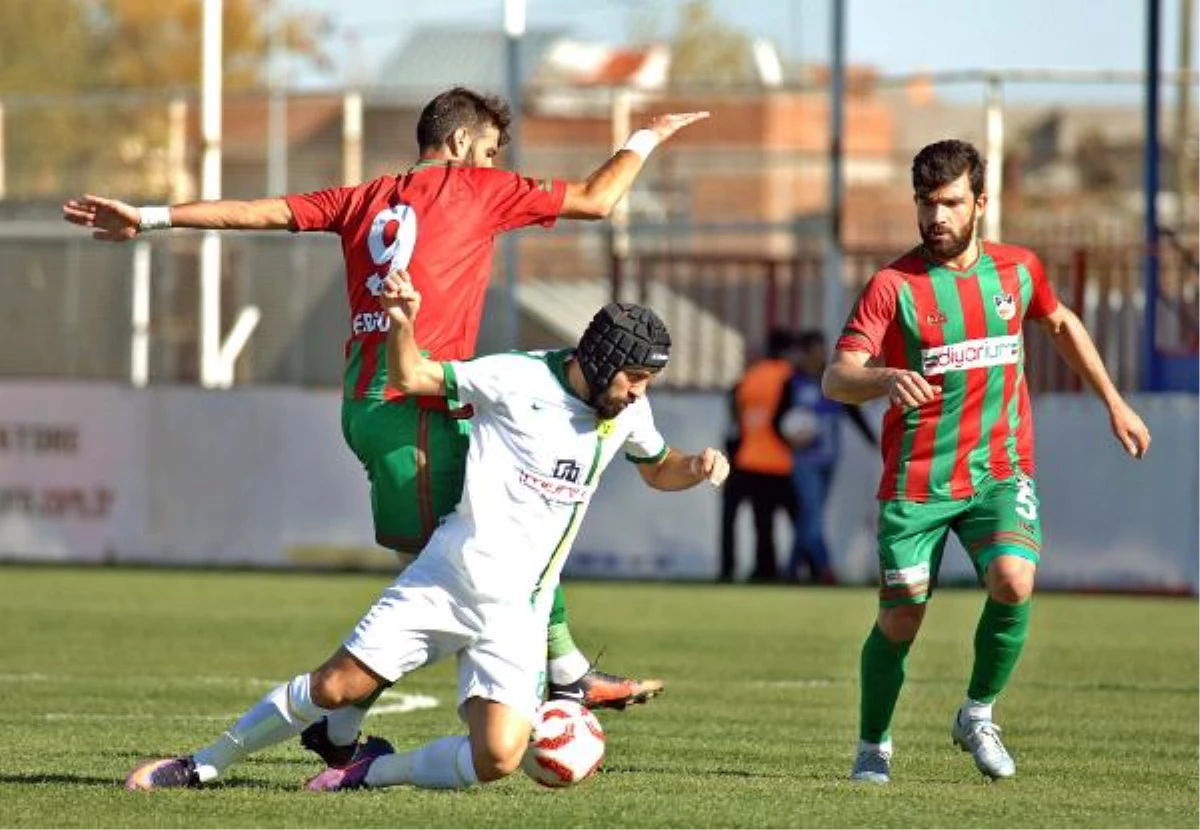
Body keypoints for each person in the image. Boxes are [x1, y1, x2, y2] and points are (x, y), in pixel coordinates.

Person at [63, 88, 709, 765]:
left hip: (369, 403)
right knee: (499, 546)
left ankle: (355, 729)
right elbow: (598, 199)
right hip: (416, 407)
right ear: (461, 145)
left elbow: (258, 212)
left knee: (480, 552)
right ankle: (554, 679)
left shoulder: (363, 197)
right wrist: (646, 137)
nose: (492, 164)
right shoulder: (475, 189)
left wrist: (151, 216)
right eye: (489, 151)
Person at [125, 276, 730, 792]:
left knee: (497, 759)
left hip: (520, 613)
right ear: (600, 363)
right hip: (448, 578)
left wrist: (697, 467)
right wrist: (402, 323)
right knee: (337, 686)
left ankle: (365, 775)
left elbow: (658, 470)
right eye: (632, 379)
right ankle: (202, 765)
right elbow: (412, 375)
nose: (637, 394)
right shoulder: (516, 379)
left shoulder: (627, 412)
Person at [823, 139, 1151, 784]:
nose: (934, 217)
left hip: (998, 470)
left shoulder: (1018, 270)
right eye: (924, 203)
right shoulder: (893, 285)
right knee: (902, 615)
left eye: (948, 203)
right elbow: (837, 378)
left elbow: (1060, 324)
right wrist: (885, 377)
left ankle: (977, 713)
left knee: (1014, 580)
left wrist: (1114, 402)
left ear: (980, 203)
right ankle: (873, 746)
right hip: (916, 481)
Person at [777, 329, 876, 585]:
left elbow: (853, 412)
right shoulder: (793, 382)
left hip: (829, 459)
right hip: (804, 461)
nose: (821, 355)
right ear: (807, 353)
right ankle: (825, 568)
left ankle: (791, 570)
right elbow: (778, 419)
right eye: (817, 350)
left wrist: (874, 441)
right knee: (813, 514)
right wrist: (790, 440)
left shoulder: (831, 380)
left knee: (810, 516)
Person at [718, 328, 798, 582]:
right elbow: (785, 419)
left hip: (745, 457)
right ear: (788, 351)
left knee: (739, 519)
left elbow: (734, 418)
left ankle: (729, 569)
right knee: (782, 521)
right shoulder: (789, 376)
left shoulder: (749, 377)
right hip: (779, 460)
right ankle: (775, 570)